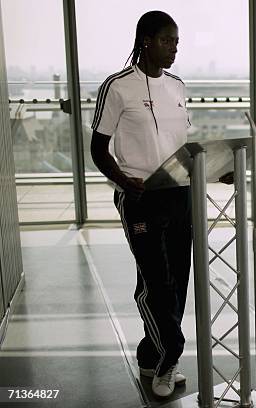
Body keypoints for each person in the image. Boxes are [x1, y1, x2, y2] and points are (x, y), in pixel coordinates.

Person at [90, 11, 191, 398]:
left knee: (178, 280)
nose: (174, 48)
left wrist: (215, 171)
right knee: (155, 283)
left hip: (180, 193)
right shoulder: (117, 87)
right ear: (146, 40)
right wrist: (121, 181)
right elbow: (99, 150)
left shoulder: (178, 86)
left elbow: (181, 145)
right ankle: (169, 359)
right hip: (139, 195)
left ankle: (152, 354)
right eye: (168, 40)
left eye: (177, 41)